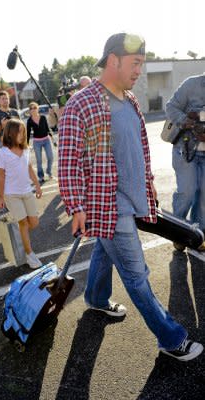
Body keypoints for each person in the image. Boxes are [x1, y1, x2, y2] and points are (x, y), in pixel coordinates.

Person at [58, 32, 203, 361]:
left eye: (142, 64)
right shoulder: (81, 103)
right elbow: (66, 162)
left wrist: (147, 181)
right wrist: (76, 206)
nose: (140, 71)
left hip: (133, 200)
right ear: (113, 61)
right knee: (137, 276)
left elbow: (139, 147)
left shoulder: (130, 101)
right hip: (109, 205)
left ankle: (95, 297)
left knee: (105, 251)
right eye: (135, 63)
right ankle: (170, 338)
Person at [0, 118, 43, 269]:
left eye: (24, 132)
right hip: (11, 194)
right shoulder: (2, 153)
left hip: (27, 191)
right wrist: (1, 197)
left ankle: (21, 235)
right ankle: (29, 255)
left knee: (34, 223)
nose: (23, 135)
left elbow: (29, 169)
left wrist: (37, 185)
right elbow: (1, 176)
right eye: (20, 132)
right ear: (11, 133)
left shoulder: (26, 149)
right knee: (23, 223)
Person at [166, 74, 205, 251]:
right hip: (185, 149)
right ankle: (178, 234)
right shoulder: (191, 84)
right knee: (187, 192)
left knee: (204, 196)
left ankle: (198, 235)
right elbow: (171, 107)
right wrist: (188, 121)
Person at [26, 102, 54, 184]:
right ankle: (41, 176)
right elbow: (27, 133)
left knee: (50, 157)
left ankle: (48, 172)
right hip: (36, 142)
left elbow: (47, 128)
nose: (33, 110)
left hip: (46, 140)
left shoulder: (43, 117)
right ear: (30, 111)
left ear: (37, 108)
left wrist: (52, 138)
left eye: (34, 108)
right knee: (39, 160)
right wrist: (26, 144)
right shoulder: (29, 120)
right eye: (31, 108)